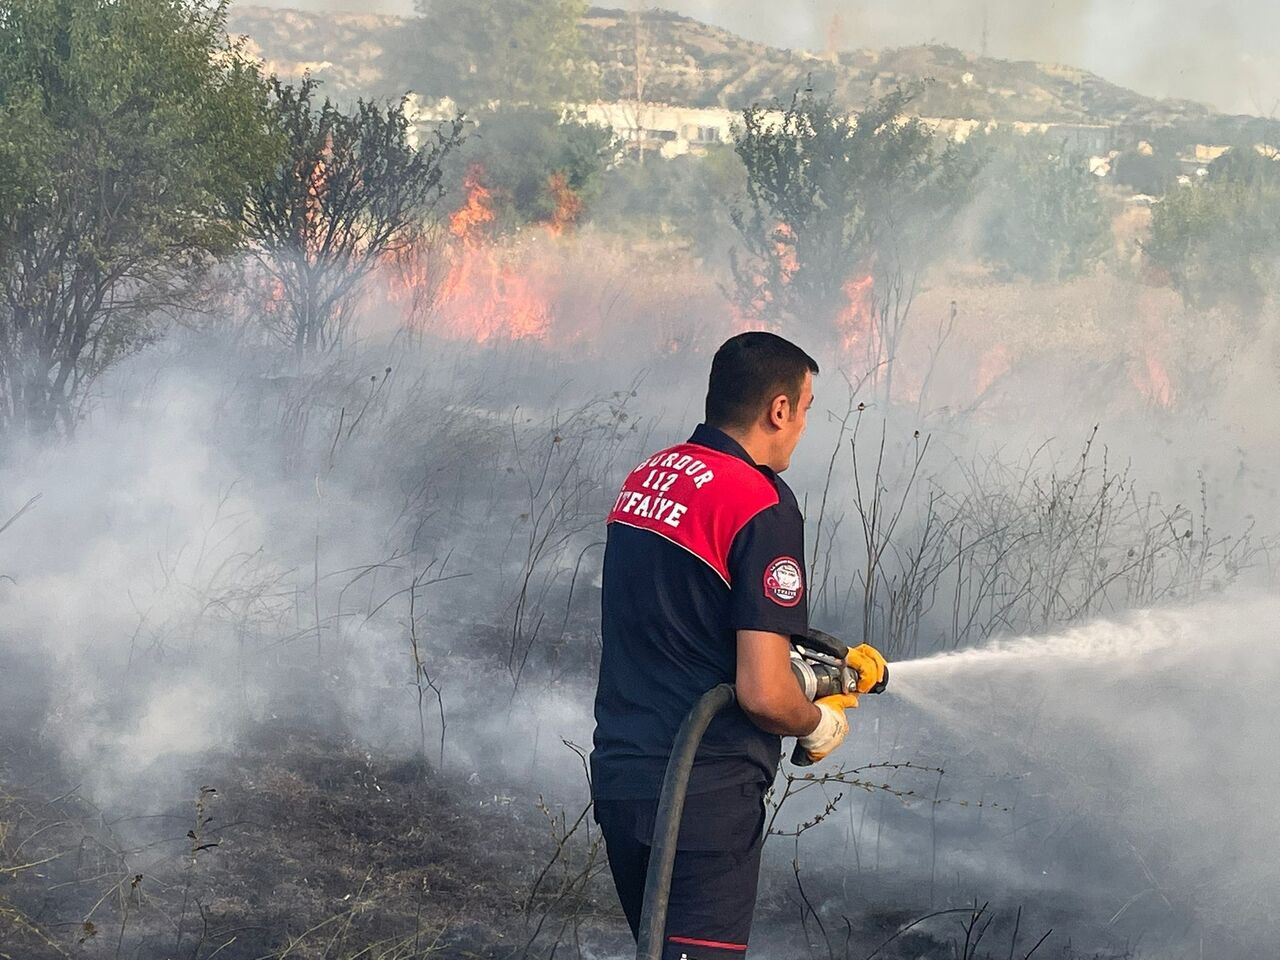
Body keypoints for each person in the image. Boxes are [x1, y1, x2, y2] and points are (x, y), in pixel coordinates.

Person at [591, 331, 861, 959]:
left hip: (623, 779)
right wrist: (815, 721)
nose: (803, 427)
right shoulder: (760, 503)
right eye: (807, 409)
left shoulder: (649, 477)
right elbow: (763, 694)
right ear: (778, 409)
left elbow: (684, 621)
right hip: (702, 796)